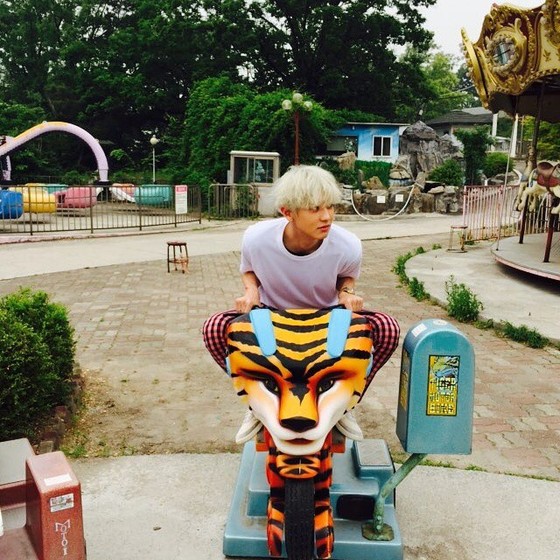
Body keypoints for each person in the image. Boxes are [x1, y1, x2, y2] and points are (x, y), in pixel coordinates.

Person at [203, 164, 400, 443]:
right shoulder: (257, 238)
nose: (327, 216)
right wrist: (251, 292)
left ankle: (346, 405)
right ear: (288, 212)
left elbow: (346, 276)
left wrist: (346, 293)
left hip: (326, 317)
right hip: (272, 315)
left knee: (387, 328)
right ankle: (256, 404)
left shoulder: (348, 245)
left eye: (330, 206)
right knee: (214, 328)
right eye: (314, 209)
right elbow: (249, 269)